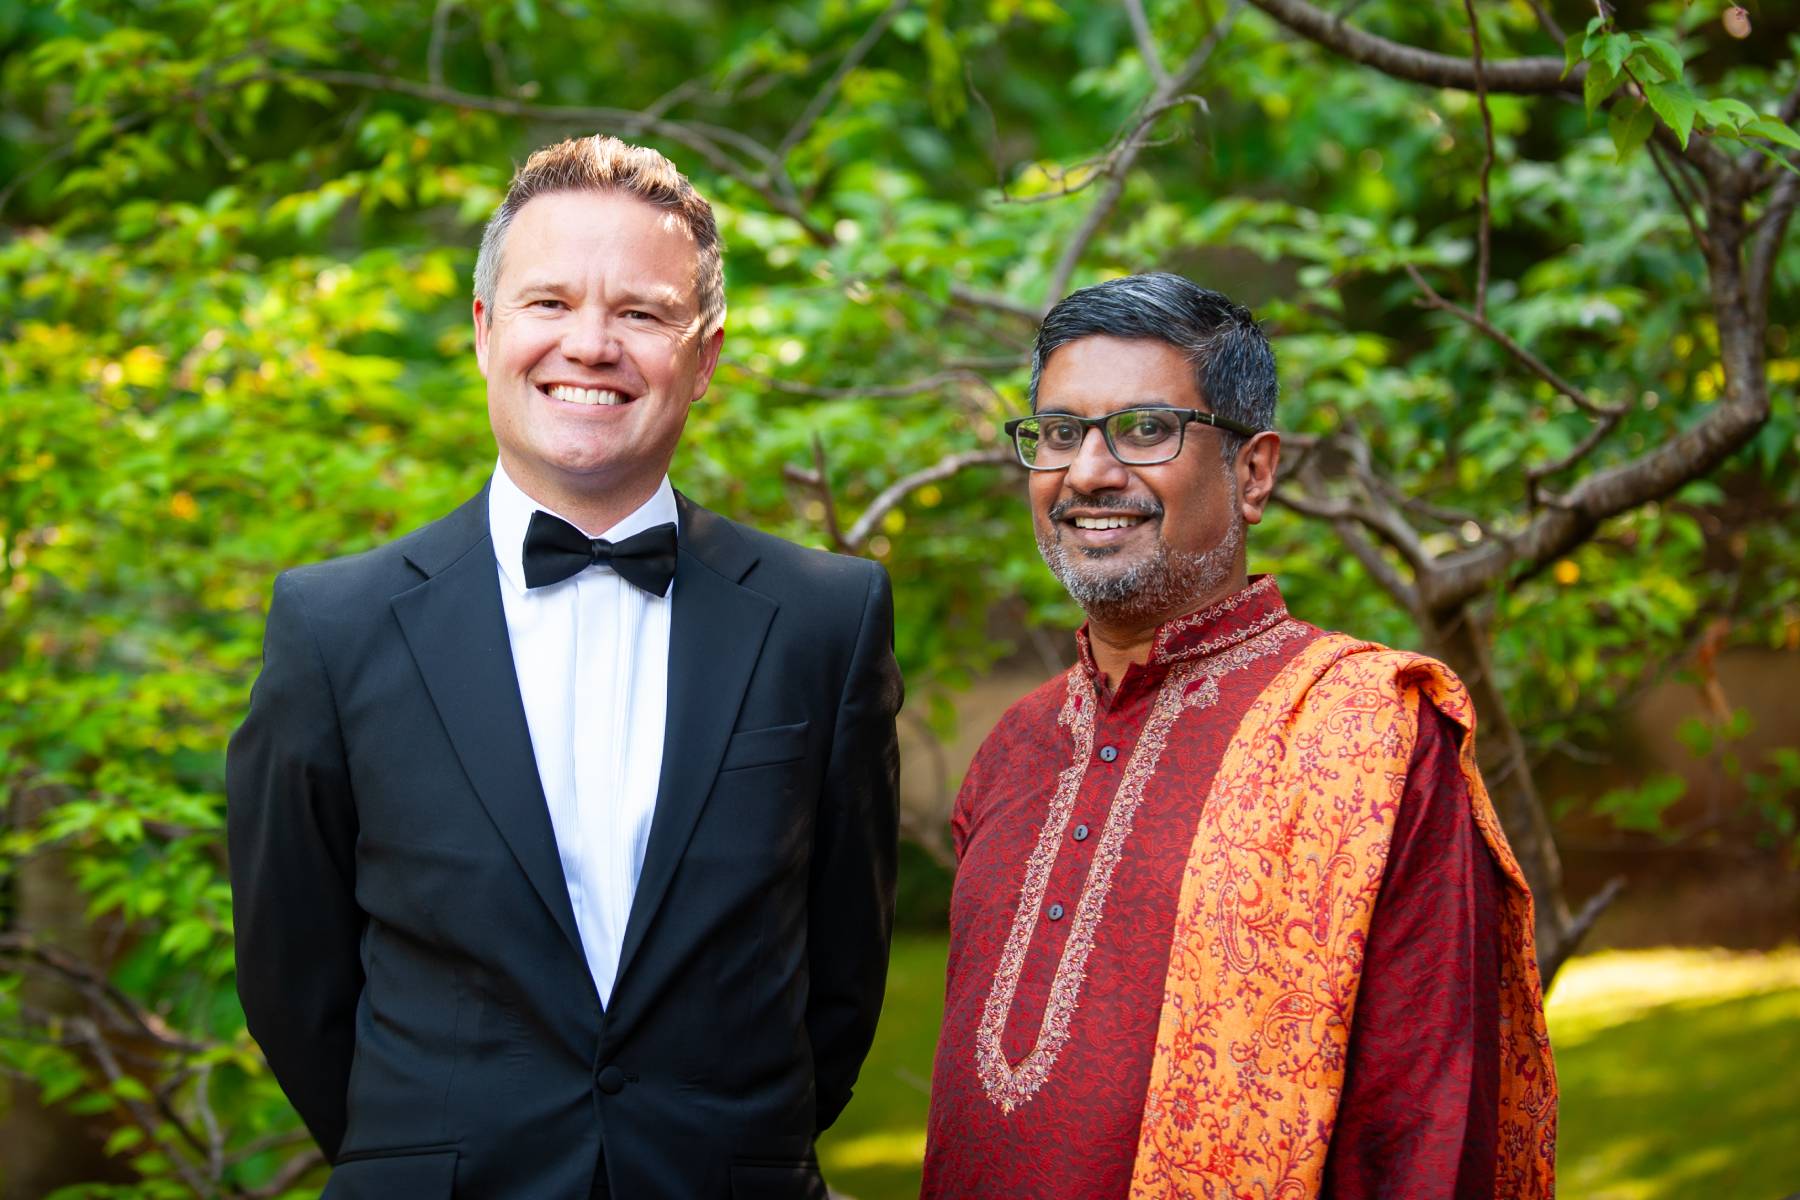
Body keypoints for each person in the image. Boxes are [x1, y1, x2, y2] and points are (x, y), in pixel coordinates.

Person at [227, 135, 902, 1200]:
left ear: (707, 354)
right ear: (487, 332)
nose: (591, 345)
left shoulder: (827, 619)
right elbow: (290, 974)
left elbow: (845, 968)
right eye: (550, 303)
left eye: (640, 313)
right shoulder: (334, 625)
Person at [922, 273, 1555, 1199]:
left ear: (1253, 472)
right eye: (1059, 434)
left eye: (1145, 430)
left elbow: (1427, 1127)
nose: (1089, 472)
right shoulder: (1013, 749)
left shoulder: (1375, 736)